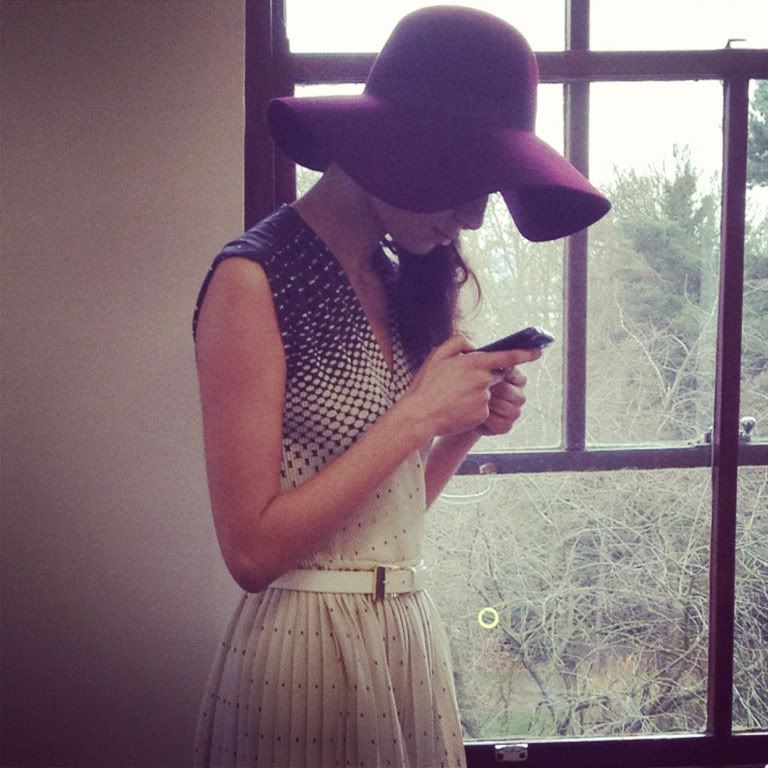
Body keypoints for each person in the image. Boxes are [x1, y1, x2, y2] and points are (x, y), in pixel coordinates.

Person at [191, 6, 610, 768]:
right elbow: (250, 553)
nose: (474, 218)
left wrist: (461, 429)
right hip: (302, 651)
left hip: (405, 637)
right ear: (401, 150)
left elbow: (390, 514)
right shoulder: (252, 280)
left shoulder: (396, 281)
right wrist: (417, 416)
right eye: (467, 183)